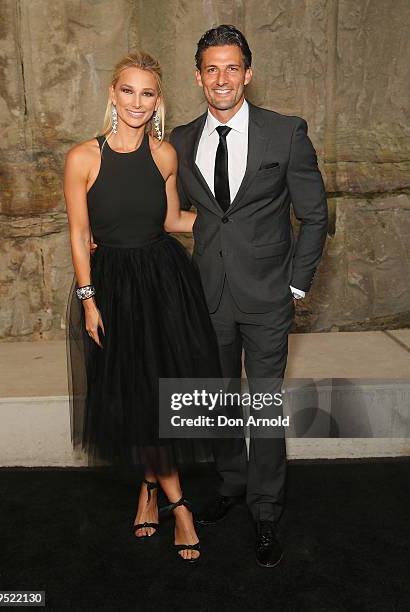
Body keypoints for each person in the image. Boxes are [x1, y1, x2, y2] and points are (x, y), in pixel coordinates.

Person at [169, 25, 328, 567]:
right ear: (198, 76)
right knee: (218, 401)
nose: (222, 78)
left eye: (232, 67)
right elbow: (173, 212)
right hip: (207, 295)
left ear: (248, 74)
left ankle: (265, 510)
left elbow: (314, 215)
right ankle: (232, 484)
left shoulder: (285, 133)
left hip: (267, 297)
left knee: (262, 406)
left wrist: (297, 281)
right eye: (211, 68)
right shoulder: (183, 140)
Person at [64, 52, 222, 564]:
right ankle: (174, 501)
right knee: (136, 395)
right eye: (128, 91)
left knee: (161, 395)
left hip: (165, 284)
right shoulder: (83, 158)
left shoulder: (165, 156)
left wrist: (236, 224)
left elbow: (175, 219)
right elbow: (79, 233)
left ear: (158, 101)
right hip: (112, 288)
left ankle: (157, 494)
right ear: (113, 94)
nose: (137, 101)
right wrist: (89, 300)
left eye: (147, 93)